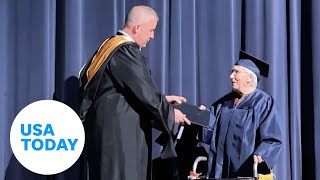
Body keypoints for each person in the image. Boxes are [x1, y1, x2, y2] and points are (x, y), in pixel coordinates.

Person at [79, 5, 191, 180]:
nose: (153, 36)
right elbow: (144, 94)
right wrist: (170, 114)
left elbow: (122, 91)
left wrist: (164, 99)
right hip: (121, 140)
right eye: (151, 30)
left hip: (106, 134)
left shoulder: (108, 46)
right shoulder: (125, 51)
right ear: (137, 28)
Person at [199, 50, 282, 178]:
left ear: (249, 78)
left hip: (245, 171)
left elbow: (272, 137)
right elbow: (210, 135)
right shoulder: (223, 103)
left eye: (236, 72)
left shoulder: (263, 103)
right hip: (218, 172)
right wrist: (202, 117)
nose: (231, 76)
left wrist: (262, 154)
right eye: (232, 72)